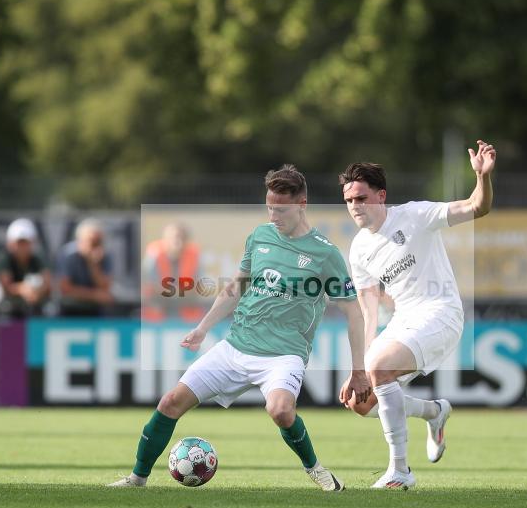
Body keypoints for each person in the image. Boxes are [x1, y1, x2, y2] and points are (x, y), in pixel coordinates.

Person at [109, 164, 371, 491]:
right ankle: (137, 478)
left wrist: (359, 369)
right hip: (234, 347)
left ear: (301, 204)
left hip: (283, 355)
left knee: (280, 410)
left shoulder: (325, 254)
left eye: (281, 209)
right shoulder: (260, 237)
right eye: (269, 207)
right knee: (170, 402)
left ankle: (315, 468)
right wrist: (204, 328)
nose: (273, 215)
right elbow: (237, 286)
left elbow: (353, 312)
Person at [340, 140, 496, 489]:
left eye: (361, 197)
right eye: (349, 200)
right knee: (360, 402)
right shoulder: (359, 249)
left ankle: (400, 471)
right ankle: (434, 412)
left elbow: (477, 207)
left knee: (379, 368)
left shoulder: (414, 214)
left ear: (381, 196)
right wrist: (358, 369)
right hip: (405, 320)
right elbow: (368, 312)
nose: (355, 206)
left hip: (441, 313)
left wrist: (482, 178)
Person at [0, 218, 51, 317]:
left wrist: (38, 292)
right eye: (19, 243)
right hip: (6, 302)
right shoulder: (3, 259)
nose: (22, 247)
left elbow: (47, 281)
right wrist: (22, 289)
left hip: (31, 302)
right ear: (10, 243)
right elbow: (6, 286)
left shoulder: (38, 259)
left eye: (25, 243)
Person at [141, 222, 205, 322]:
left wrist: (172, 291)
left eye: (182, 238)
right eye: (174, 237)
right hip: (157, 311)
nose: (178, 241)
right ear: (165, 239)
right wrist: (178, 292)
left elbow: (199, 287)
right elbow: (150, 286)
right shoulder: (154, 254)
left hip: (187, 312)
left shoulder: (194, 255)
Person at [56, 219, 113, 316]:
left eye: (99, 242)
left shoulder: (104, 256)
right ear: (80, 241)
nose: (96, 246)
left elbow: (105, 288)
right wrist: (94, 295)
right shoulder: (68, 255)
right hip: (70, 309)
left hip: (95, 310)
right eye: (92, 242)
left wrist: (92, 264)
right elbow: (65, 288)